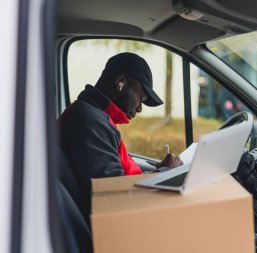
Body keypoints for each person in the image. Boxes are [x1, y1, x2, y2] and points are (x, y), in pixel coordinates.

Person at [58, 52, 183, 224]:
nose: (139, 109)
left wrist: (156, 175)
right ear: (120, 83)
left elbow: (117, 180)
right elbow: (114, 197)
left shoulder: (97, 117)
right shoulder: (89, 121)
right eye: (140, 98)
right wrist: (165, 172)